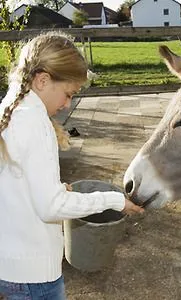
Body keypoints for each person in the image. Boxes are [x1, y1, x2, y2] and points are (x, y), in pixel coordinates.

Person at [0, 32, 144, 300]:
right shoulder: (35, 122)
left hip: (10, 266)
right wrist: (113, 200)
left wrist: (53, 188)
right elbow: (50, 207)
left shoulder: (9, 109)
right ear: (42, 80)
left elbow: (14, 185)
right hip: (35, 276)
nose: (67, 104)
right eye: (68, 94)